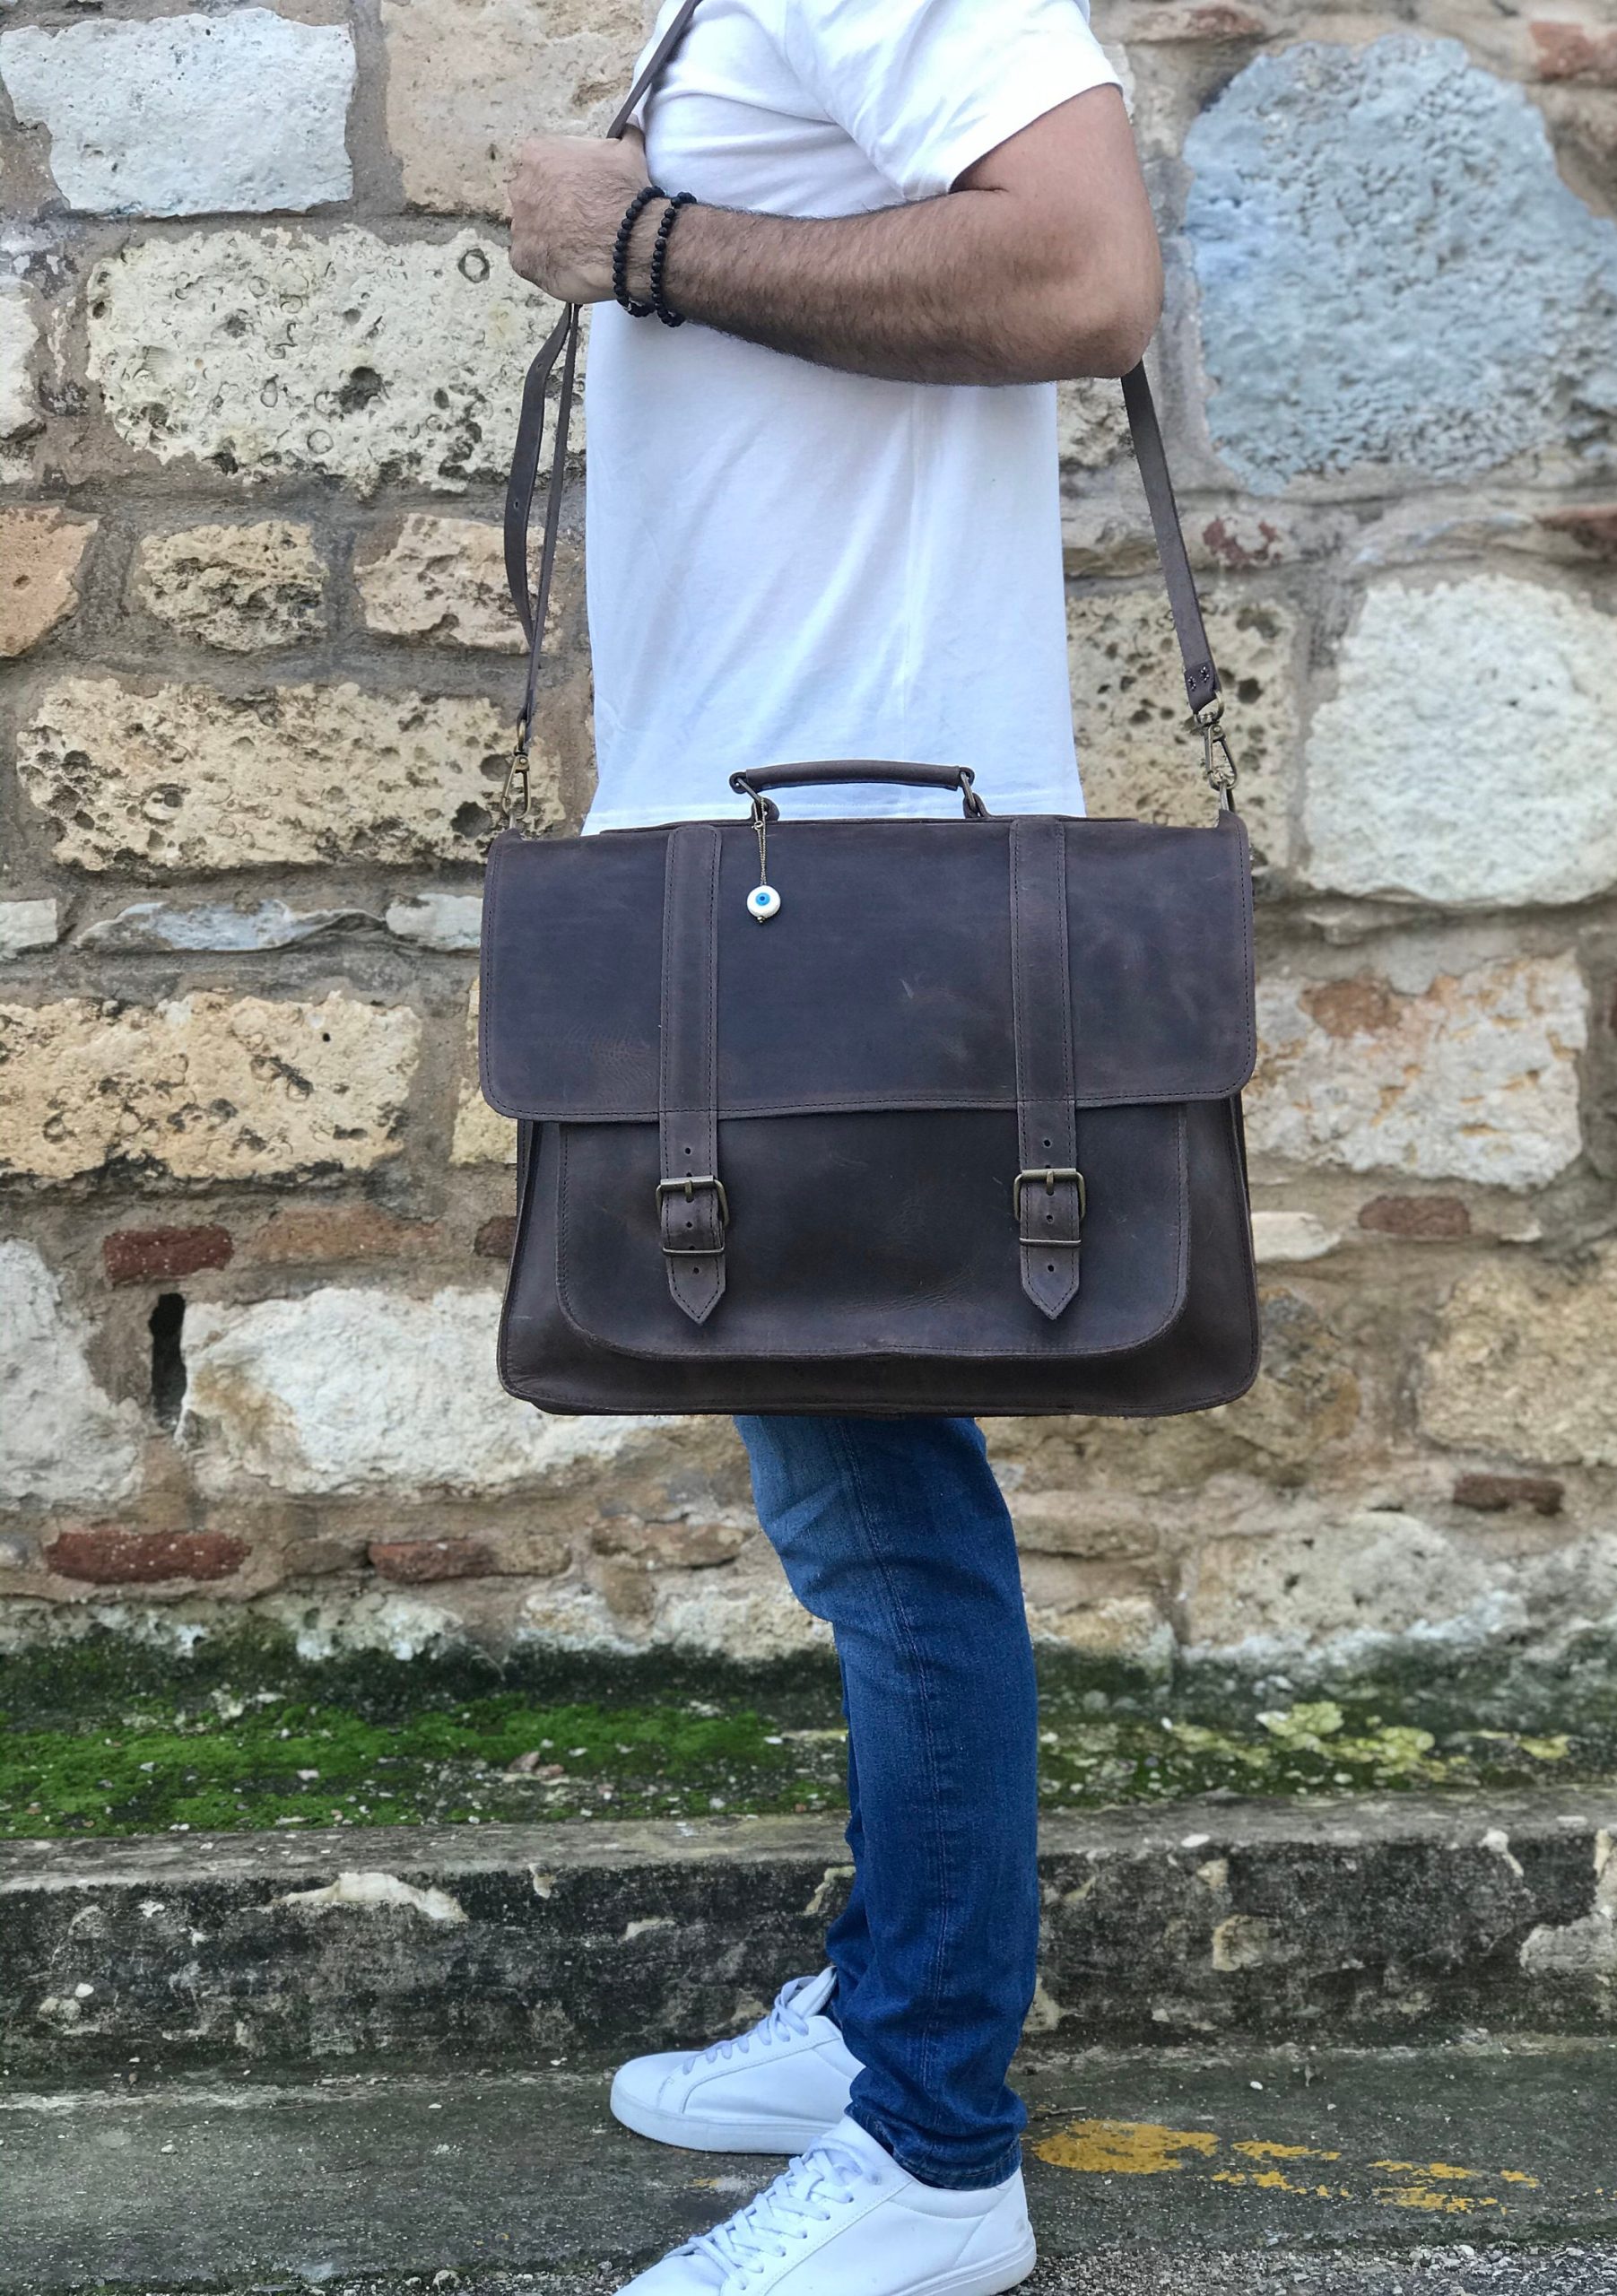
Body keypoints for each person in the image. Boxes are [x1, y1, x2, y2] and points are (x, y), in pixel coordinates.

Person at [508, 4, 1161, 2288]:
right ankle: (893, 2008)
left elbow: (1085, 270)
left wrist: (644, 242)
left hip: (856, 859)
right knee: (847, 1484)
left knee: (884, 1515)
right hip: (782, 847)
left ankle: (935, 2147)